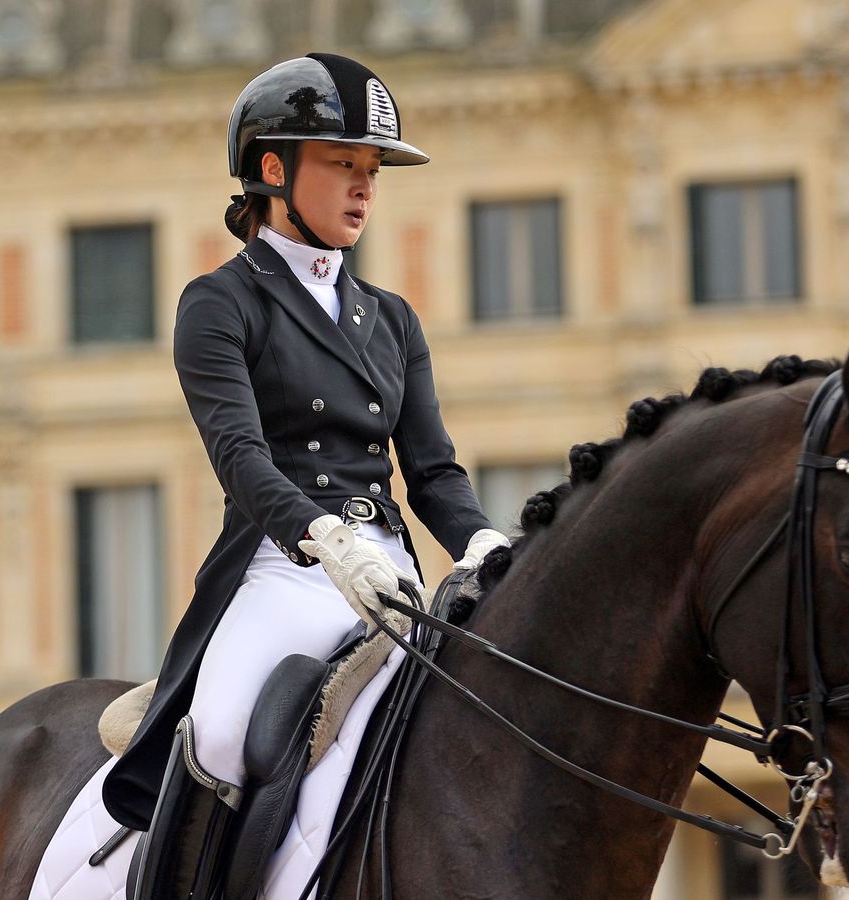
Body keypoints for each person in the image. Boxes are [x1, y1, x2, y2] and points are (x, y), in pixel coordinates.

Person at [102, 52, 509, 897]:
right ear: (275, 170)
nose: (364, 187)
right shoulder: (220, 303)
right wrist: (322, 536)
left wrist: (482, 543)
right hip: (282, 568)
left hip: (390, 574)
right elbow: (240, 456)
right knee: (221, 733)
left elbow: (432, 472)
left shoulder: (391, 320)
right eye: (343, 164)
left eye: (373, 170)